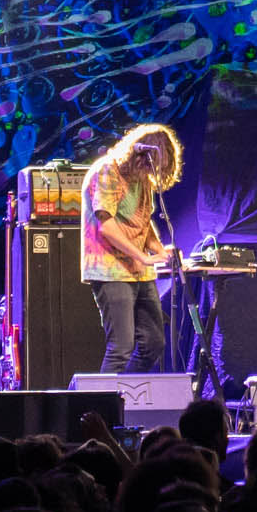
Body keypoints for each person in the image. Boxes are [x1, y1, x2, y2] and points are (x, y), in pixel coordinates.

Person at [81, 123, 182, 374]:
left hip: (138, 271)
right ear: (138, 155)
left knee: (153, 343)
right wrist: (143, 257)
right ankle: (104, 409)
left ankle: (126, 393)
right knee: (121, 347)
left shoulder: (142, 180)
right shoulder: (108, 171)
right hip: (110, 269)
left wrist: (160, 250)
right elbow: (107, 226)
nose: (152, 171)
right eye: (150, 164)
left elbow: (143, 223)